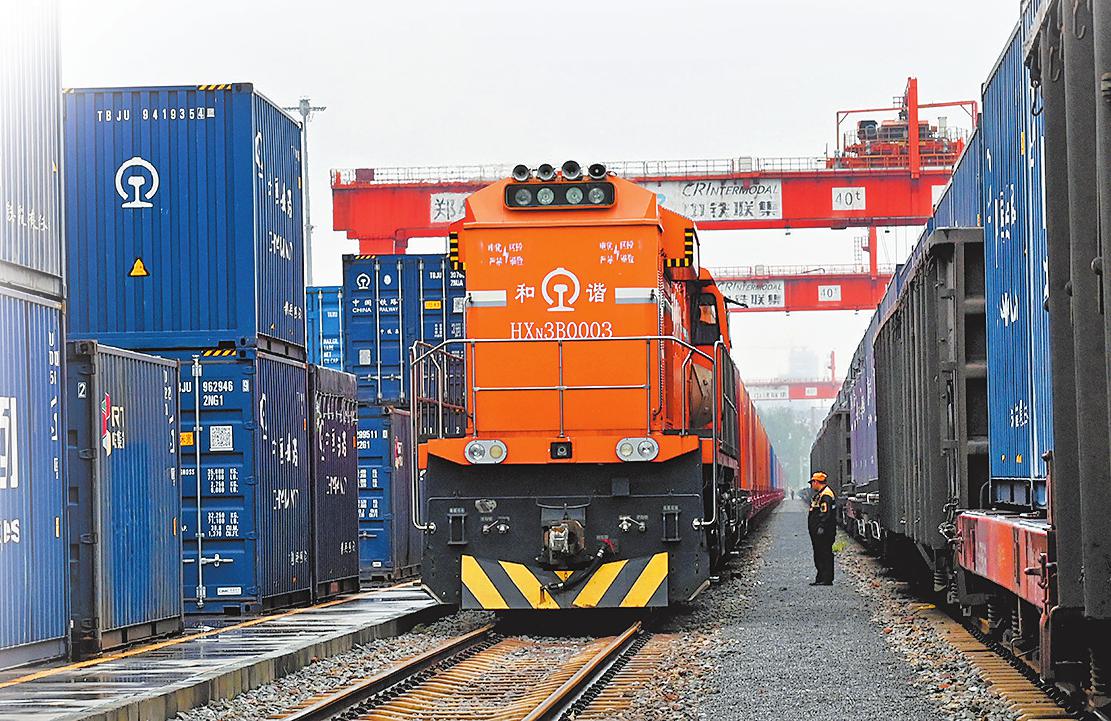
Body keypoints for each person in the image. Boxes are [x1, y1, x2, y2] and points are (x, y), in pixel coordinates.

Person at [807, 471, 836, 586]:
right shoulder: (820, 494)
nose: (811, 485)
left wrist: (821, 527)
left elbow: (825, 513)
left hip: (824, 532)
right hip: (819, 531)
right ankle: (820, 577)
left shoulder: (826, 495)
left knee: (824, 553)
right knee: (819, 553)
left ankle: (826, 578)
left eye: (812, 482)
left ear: (816, 482)